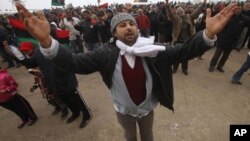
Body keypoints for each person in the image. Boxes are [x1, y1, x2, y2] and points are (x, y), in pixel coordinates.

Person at [15, 2, 237, 141]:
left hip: (147, 109)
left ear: (137, 29)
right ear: (114, 32)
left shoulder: (154, 50)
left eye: (132, 24)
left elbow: (184, 51)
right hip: (123, 111)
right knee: (130, 136)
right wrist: (46, 41)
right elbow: (74, 63)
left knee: (148, 136)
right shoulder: (105, 54)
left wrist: (207, 35)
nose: (129, 27)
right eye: (122, 25)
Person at [14, 41, 91, 128]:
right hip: (53, 83)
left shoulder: (57, 47)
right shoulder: (38, 53)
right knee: (67, 100)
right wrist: (18, 57)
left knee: (76, 99)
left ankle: (86, 114)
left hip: (66, 81)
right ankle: (75, 112)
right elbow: (31, 63)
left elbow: (70, 60)